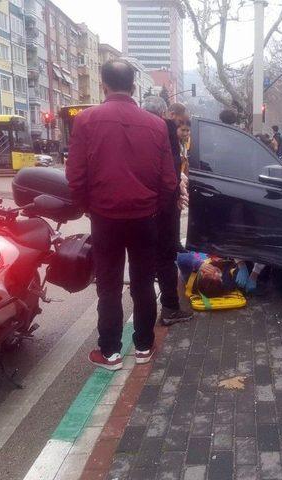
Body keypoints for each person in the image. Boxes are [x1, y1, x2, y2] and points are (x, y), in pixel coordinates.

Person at [66, 60, 178, 370]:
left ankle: (110, 351)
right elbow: (169, 180)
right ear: (133, 87)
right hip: (145, 218)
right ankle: (143, 346)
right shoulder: (156, 125)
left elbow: (75, 175)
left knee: (109, 284)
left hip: (105, 217)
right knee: (143, 282)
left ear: (103, 85)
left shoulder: (86, 120)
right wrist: (157, 209)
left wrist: (87, 205)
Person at [142, 96, 194, 325]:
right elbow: (169, 172)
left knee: (141, 262)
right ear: (166, 113)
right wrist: (172, 200)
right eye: (179, 121)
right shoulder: (164, 131)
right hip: (161, 208)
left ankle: (143, 322)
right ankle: (170, 309)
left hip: (134, 208)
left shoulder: (135, 130)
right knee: (164, 259)